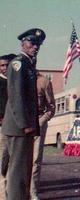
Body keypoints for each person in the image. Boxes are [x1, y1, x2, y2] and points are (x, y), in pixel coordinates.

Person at [1, 28, 45, 200]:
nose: (36, 47)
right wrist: (25, 124)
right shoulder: (18, 64)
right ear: (23, 43)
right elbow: (16, 96)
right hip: (19, 127)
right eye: (32, 43)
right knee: (18, 171)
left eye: (38, 44)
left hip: (25, 127)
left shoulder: (28, 64)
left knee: (24, 170)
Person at [30, 72, 55, 199]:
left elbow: (51, 108)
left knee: (35, 159)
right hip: (20, 123)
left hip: (38, 121)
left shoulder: (43, 81)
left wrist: (41, 121)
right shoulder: (17, 78)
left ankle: (33, 192)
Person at [0, 54, 16, 200]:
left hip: (16, 129)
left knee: (13, 163)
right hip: (2, 128)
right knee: (1, 162)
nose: (5, 68)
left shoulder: (16, 80)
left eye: (7, 65)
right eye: (2, 65)